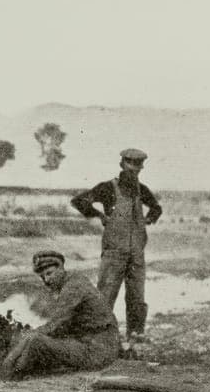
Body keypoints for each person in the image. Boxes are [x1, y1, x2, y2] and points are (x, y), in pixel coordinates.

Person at [70, 147, 163, 343]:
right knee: (105, 295)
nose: (134, 169)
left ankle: (135, 335)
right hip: (114, 254)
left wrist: (148, 219)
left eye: (138, 166)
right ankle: (99, 337)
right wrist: (99, 215)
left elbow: (156, 208)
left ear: (141, 167)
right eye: (130, 164)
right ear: (122, 164)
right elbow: (79, 201)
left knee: (137, 297)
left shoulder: (142, 190)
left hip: (137, 253)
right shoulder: (107, 188)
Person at [0, 250, 121, 379]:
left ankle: (4, 375)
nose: (46, 280)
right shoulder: (74, 280)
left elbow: (56, 324)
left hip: (97, 351)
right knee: (32, 339)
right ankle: (6, 372)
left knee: (34, 341)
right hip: (99, 345)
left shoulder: (72, 287)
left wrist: (29, 335)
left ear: (61, 268)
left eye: (49, 273)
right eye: (42, 277)